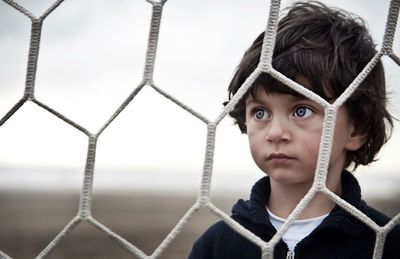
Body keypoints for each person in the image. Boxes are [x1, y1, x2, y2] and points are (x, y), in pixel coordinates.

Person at [188, 1, 400, 258]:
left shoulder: (387, 244)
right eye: (260, 112)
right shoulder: (218, 245)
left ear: (356, 130)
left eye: (301, 111)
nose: (275, 133)